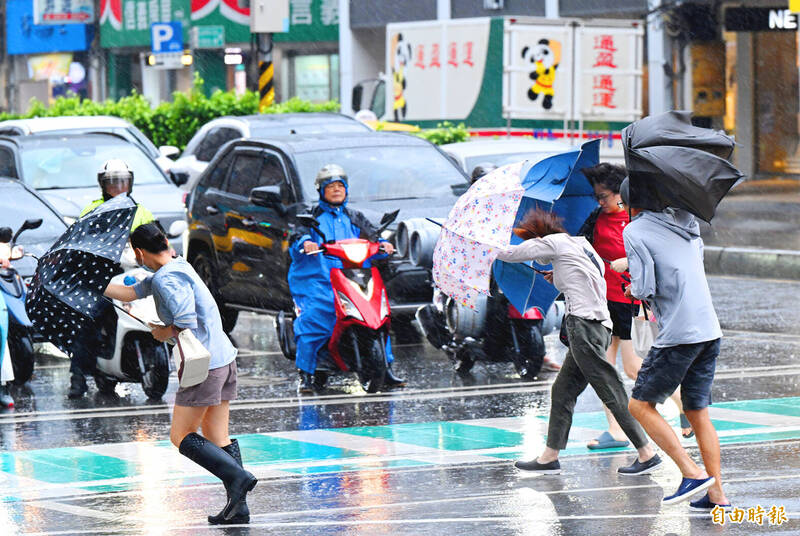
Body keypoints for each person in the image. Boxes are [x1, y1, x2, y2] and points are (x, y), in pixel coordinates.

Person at [104, 223, 256, 524]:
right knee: (216, 434)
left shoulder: (166, 280)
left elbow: (186, 318)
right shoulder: (176, 266)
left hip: (205, 366)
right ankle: (238, 506)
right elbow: (131, 291)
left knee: (180, 435)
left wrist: (163, 332)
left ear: (138, 252)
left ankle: (239, 478)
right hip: (223, 358)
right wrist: (96, 283)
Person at [497, 208, 660, 476]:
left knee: (611, 388)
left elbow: (513, 254)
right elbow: (587, 282)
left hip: (583, 327)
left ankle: (646, 452)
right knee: (562, 391)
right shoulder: (582, 246)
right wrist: (557, 276)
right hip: (598, 326)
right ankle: (549, 457)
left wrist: (485, 247)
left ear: (539, 236)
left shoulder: (553, 243)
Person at [621, 178, 730, 509]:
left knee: (639, 406)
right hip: (708, 329)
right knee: (697, 412)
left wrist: (631, 289)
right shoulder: (685, 219)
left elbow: (644, 287)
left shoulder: (635, 232)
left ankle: (691, 472)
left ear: (630, 205)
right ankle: (717, 495)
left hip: (679, 333)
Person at [579, 164, 692, 449]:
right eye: (597, 197)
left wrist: (626, 263)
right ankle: (616, 430)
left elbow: (653, 257)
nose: (600, 202)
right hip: (602, 302)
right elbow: (581, 248)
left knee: (631, 368)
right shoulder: (595, 219)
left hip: (628, 301)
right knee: (602, 369)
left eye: (604, 196)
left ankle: (683, 403)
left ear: (620, 194)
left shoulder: (636, 221)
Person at [288, 164, 404, 394]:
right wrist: (305, 243)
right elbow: (297, 236)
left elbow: (373, 236)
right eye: (330, 186)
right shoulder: (311, 216)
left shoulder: (355, 216)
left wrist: (384, 245)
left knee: (378, 316)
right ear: (321, 190)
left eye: (340, 185)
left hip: (354, 276)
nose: (336, 190)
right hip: (320, 278)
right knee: (316, 317)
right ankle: (306, 373)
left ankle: (385, 366)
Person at [68, 160, 158, 399]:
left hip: (134, 270)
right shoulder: (92, 210)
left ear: (130, 182)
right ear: (103, 184)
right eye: (112, 182)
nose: (118, 186)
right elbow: (80, 240)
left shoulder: (141, 210)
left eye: (123, 181)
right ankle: (78, 378)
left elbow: (155, 237)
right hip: (101, 275)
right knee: (90, 319)